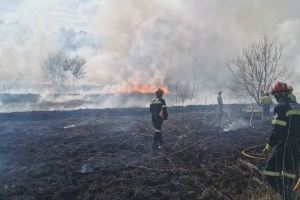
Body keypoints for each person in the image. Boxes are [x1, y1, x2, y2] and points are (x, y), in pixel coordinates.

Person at [262, 82, 300, 199]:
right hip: (297, 147)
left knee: (269, 172)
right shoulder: (297, 106)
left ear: (279, 94)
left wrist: (269, 145)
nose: (275, 98)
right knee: (289, 174)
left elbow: (277, 131)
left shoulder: (280, 107)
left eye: (275, 96)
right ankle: (290, 194)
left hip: (284, 146)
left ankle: (287, 196)